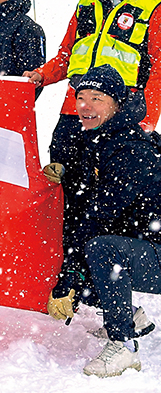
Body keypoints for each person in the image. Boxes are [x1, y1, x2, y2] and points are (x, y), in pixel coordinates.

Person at [24, 0, 161, 212]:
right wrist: (41, 75)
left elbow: (158, 68)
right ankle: (63, 248)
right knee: (62, 183)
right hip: (73, 111)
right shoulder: (86, 2)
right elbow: (66, 56)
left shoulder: (152, 3)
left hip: (119, 114)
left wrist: (147, 119)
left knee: (108, 192)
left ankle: (101, 249)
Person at [45, 65, 161, 378]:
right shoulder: (103, 139)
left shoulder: (131, 148)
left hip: (156, 252)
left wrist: (68, 277)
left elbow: (100, 214)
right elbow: (86, 205)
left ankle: (124, 346)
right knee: (87, 251)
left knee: (101, 249)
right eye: (80, 97)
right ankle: (132, 318)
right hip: (147, 244)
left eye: (96, 98)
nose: (85, 105)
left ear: (117, 103)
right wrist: (65, 180)